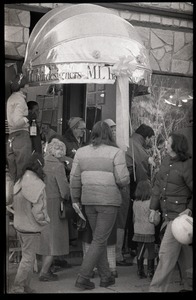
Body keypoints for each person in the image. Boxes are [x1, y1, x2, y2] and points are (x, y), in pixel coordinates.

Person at [70, 121, 130, 290]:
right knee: (99, 240)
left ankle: (106, 276)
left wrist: (75, 199)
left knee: (99, 239)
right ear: (109, 134)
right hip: (108, 201)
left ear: (93, 133)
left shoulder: (81, 152)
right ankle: (82, 277)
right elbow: (123, 179)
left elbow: (74, 178)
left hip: (88, 201)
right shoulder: (116, 152)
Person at [148, 132, 192, 292]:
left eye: (168, 142)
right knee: (184, 258)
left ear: (176, 146)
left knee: (165, 255)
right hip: (169, 216)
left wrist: (189, 209)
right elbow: (158, 187)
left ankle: (156, 289)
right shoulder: (166, 161)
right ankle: (188, 286)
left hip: (180, 219)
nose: (165, 144)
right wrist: (153, 208)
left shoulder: (187, 165)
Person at [11, 153, 50, 293]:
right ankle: (18, 286)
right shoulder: (37, 184)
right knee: (28, 259)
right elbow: (38, 211)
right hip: (31, 228)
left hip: (19, 225)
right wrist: (45, 221)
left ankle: (25, 286)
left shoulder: (20, 181)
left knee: (27, 257)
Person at [36, 138, 70, 281]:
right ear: (59, 152)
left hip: (41, 203)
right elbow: (64, 191)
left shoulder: (42, 163)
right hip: (54, 204)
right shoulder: (58, 166)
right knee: (54, 240)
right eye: (61, 151)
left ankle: (45, 268)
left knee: (45, 238)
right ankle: (44, 272)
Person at [124, 124, 155, 258]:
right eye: (150, 139)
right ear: (146, 137)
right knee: (131, 216)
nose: (150, 142)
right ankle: (132, 247)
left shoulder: (131, 141)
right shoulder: (137, 146)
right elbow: (142, 170)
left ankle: (130, 247)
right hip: (131, 184)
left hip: (128, 182)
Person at [104, 119, 132, 268]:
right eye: (112, 129)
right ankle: (116, 256)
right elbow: (122, 178)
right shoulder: (116, 150)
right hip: (118, 190)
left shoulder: (96, 149)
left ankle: (111, 258)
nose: (115, 131)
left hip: (105, 192)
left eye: (116, 128)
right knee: (118, 224)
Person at [63, 117, 87, 248]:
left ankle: (77, 236)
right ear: (74, 129)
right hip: (69, 178)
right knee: (72, 207)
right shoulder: (65, 141)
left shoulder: (83, 142)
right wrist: (71, 164)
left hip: (81, 178)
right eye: (82, 129)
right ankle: (70, 238)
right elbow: (61, 158)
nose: (84, 132)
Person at [6, 73, 33, 183]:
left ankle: (12, 198)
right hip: (21, 136)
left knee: (13, 173)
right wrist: (28, 118)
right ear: (22, 86)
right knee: (23, 170)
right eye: (27, 85)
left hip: (11, 137)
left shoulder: (11, 99)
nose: (29, 87)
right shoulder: (20, 100)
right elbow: (17, 122)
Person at [132, 180, 157, 280]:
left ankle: (140, 271)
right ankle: (151, 272)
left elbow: (133, 217)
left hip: (137, 229)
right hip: (149, 229)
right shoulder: (151, 202)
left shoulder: (135, 202)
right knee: (151, 250)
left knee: (140, 250)